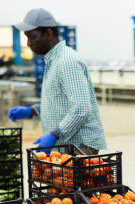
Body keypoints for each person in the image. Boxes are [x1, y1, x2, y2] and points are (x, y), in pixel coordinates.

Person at [7, 8, 106, 155]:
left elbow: (81, 108)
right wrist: (31, 111)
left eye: (32, 37)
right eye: (26, 37)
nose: (28, 43)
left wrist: (54, 134)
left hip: (79, 145)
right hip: (68, 144)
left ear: (48, 33)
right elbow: (58, 102)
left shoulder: (67, 61)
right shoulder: (54, 60)